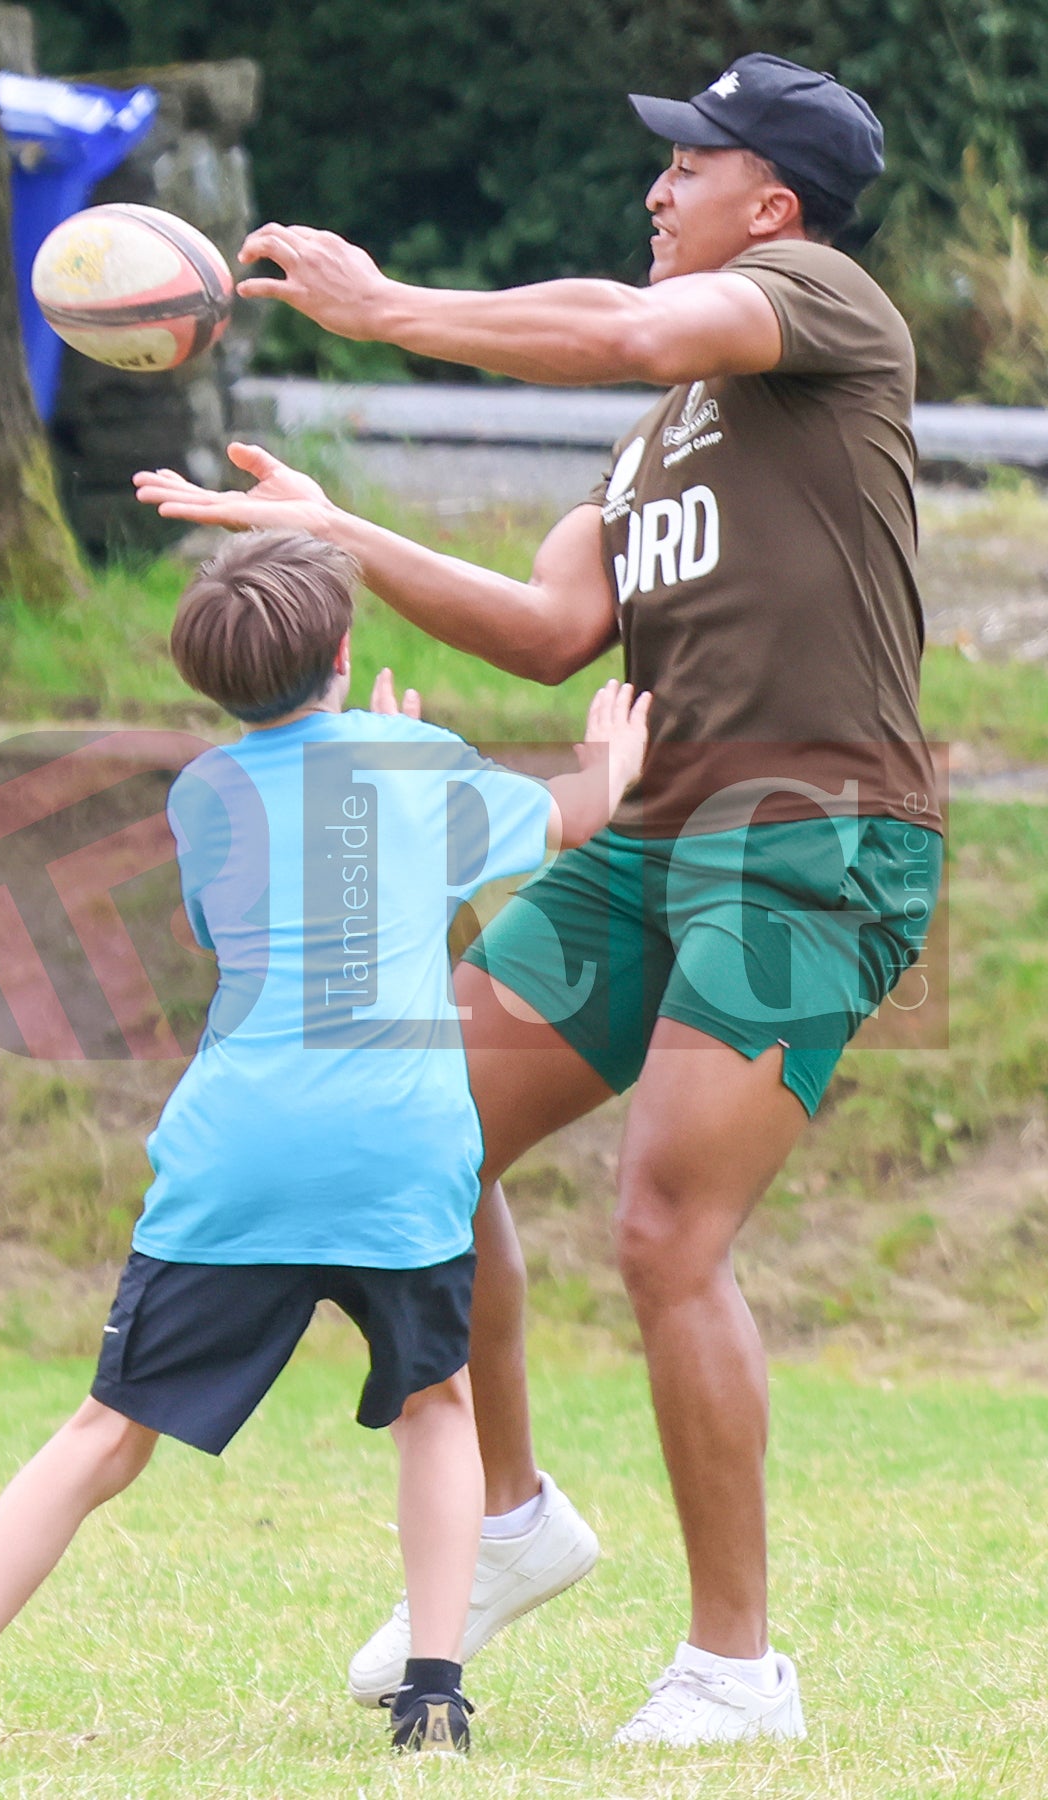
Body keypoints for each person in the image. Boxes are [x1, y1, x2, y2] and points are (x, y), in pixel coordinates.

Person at [133, 52, 944, 1747]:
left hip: (811, 830)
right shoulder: (665, 438)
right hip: (656, 834)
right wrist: (333, 532)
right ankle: (509, 1520)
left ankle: (739, 1667)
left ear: (771, 204)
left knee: (664, 1232)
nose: (660, 189)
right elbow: (545, 627)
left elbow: (630, 321)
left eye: (691, 165)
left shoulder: (817, 302)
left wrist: (384, 308)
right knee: (417, 1128)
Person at [0, 531, 649, 1762]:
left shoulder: (201, 796)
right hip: (395, 1155)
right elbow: (567, 820)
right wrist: (611, 758)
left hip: (241, 1161)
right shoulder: (412, 761)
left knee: (105, 1432)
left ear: (214, 682)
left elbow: (284, 907)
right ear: (343, 649)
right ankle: (434, 1701)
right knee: (440, 1406)